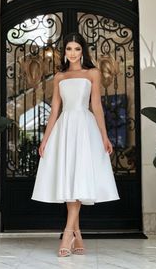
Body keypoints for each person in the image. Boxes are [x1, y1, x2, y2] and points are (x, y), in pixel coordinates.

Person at [31, 32, 120, 257]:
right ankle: (77, 234)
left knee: (79, 178)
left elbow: (97, 106)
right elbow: (54, 111)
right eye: (69, 49)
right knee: (70, 178)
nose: (72, 53)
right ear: (64, 52)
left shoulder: (92, 73)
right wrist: (45, 139)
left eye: (77, 49)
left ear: (83, 51)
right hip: (65, 127)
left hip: (84, 127)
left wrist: (104, 135)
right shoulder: (59, 77)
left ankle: (68, 233)